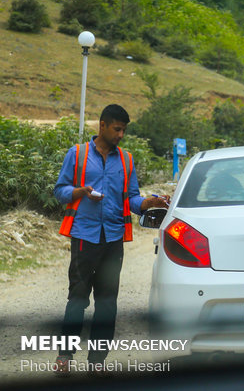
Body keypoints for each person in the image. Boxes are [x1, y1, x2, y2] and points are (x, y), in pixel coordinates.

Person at [52, 104, 169, 377]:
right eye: (117, 129)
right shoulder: (77, 154)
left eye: (124, 130)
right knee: (78, 298)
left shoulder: (126, 160)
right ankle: (64, 356)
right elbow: (60, 191)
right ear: (102, 125)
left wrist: (147, 203)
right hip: (84, 235)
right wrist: (79, 192)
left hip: (114, 237)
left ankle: (97, 361)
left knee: (107, 301)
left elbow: (131, 198)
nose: (121, 134)